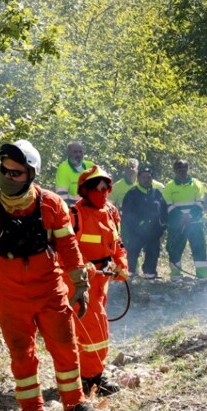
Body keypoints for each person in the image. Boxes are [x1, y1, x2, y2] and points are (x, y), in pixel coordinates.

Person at [0, 140, 101, 411]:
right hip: (10, 295)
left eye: (16, 173)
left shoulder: (51, 204)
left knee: (65, 346)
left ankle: (74, 403)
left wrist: (80, 284)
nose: (8, 177)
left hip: (49, 290)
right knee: (22, 353)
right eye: (5, 171)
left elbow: (69, 248)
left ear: (31, 174)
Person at [66, 165, 129, 396]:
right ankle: (92, 379)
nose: (104, 193)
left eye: (106, 189)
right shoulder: (75, 215)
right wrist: (85, 267)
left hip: (102, 280)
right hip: (81, 281)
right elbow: (66, 249)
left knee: (95, 327)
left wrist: (122, 265)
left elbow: (118, 243)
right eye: (99, 189)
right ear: (86, 190)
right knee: (94, 329)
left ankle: (91, 374)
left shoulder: (111, 212)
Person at [121, 164, 167, 280]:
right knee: (132, 252)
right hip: (136, 232)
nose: (146, 180)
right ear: (138, 179)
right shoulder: (132, 193)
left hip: (154, 232)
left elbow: (164, 210)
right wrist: (138, 227)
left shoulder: (157, 193)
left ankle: (150, 274)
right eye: (144, 177)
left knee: (153, 252)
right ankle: (130, 273)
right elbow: (127, 213)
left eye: (149, 177)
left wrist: (162, 226)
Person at [165, 159, 207, 279]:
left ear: (188, 169)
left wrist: (189, 216)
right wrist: (181, 217)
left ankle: (203, 276)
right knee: (175, 248)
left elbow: (200, 203)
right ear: (174, 170)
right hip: (177, 224)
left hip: (195, 223)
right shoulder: (169, 186)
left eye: (184, 167)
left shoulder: (197, 184)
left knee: (199, 248)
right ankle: (176, 275)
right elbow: (168, 205)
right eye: (178, 168)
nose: (181, 170)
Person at [53, 141, 94, 207]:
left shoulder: (91, 166)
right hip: (74, 211)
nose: (78, 155)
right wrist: (70, 213)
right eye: (75, 152)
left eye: (80, 152)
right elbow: (62, 195)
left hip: (90, 210)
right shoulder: (63, 168)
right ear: (69, 153)